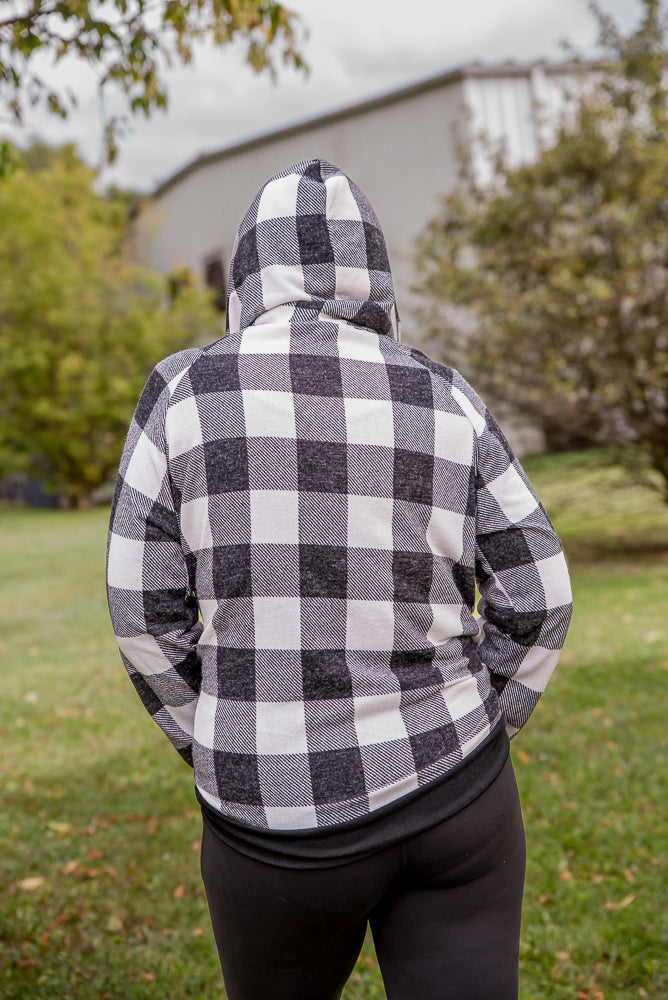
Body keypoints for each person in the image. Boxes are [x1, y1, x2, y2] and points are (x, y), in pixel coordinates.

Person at [106, 158, 573, 1000]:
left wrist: (215, 733)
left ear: (249, 270)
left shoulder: (181, 393)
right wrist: (484, 722)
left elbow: (141, 614)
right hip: (457, 795)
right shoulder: (444, 393)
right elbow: (539, 594)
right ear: (374, 271)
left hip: (269, 823)